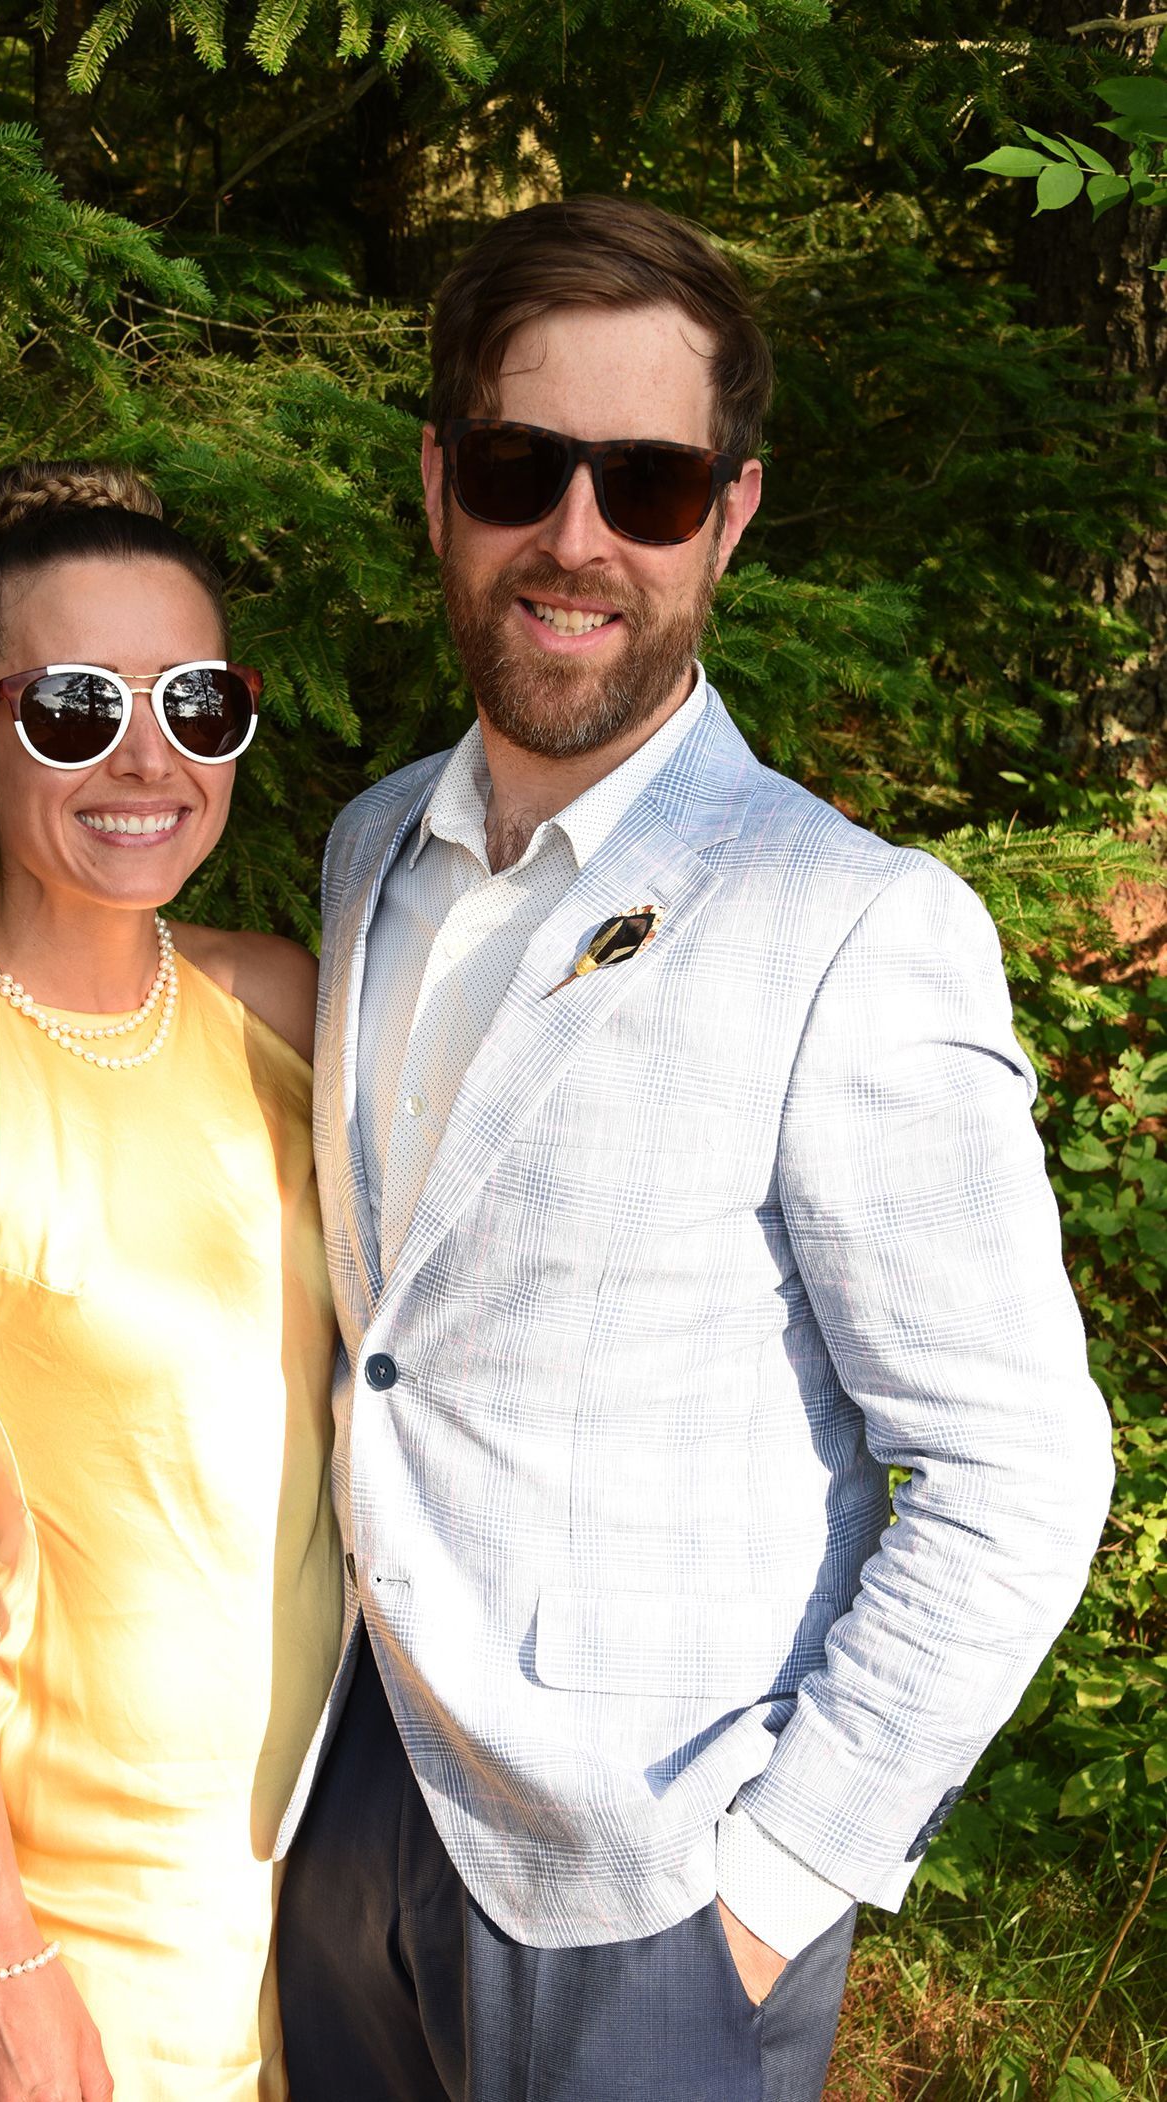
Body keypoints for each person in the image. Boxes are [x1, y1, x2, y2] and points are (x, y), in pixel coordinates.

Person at [276, 197, 1116, 2100]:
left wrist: (773, 1884)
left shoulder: (852, 925)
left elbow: (1017, 1469)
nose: (578, 537)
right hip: (349, 1819)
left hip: (650, 1897)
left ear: (727, 517)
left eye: (647, 486)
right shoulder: (365, 850)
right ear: (439, 486)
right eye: (521, 466)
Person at [0, 462, 345, 2102]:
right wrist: (5, 1961)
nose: (146, 757)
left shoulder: (286, 1008)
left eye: (195, 701)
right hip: (91, 1914)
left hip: (340, 1868)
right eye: (77, 707)